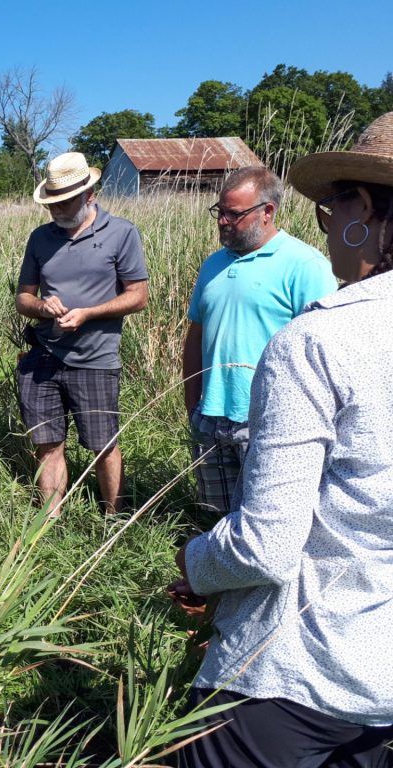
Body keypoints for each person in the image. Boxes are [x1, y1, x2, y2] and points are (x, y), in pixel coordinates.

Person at [172, 111, 393, 767]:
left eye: (332, 208)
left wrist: (194, 563)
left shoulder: (321, 339)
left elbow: (266, 546)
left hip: (301, 671)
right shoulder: (220, 270)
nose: (329, 228)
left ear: (366, 211)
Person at [182, 168, 336, 516]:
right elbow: (197, 335)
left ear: (267, 212)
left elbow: (325, 351)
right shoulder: (213, 265)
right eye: (219, 211)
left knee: (265, 521)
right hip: (211, 417)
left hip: (269, 422)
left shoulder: (305, 265)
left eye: (234, 214)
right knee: (216, 523)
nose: (222, 221)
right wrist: (193, 405)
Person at [15, 151, 148, 514]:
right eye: (51, 203)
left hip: (95, 358)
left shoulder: (121, 233)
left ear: (89, 195)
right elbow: (23, 297)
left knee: (103, 443)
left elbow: (138, 297)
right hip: (43, 356)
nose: (56, 210)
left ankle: (113, 518)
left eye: (65, 202)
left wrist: (89, 314)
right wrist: (42, 307)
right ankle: (50, 522)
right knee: (47, 442)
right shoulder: (40, 239)